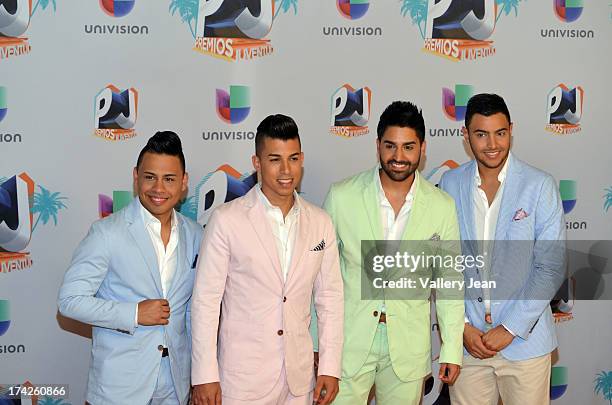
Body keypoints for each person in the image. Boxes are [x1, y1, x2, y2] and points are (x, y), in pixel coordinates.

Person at [191, 114, 344, 405]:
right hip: (241, 379)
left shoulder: (321, 222)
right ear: (257, 163)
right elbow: (206, 302)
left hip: (299, 381)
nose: (286, 170)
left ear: (302, 160)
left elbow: (330, 299)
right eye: (275, 159)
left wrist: (329, 366)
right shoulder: (226, 220)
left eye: (293, 158)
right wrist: (204, 375)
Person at [322, 101, 464, 405]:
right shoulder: (342, 196)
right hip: (348, 343)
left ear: (422, 149)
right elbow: (319, 277)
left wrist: (451, 348)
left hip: (408, 347)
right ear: (377, 146)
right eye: (390, 146)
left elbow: (450, 281)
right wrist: (316, 343)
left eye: (408, 147)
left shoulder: (442, 206)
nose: (399, 157)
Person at [438, 93, 566, 405]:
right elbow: (442, 263)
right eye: (481, 134)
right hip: (469, 346)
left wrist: (508, 329)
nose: (492, 144)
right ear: (466, 135)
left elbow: (549, 268)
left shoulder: (540, 186)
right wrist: (463, 328)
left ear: (511, 130)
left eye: (500, 133)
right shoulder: (449, 183)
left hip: (525, 343)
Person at [58, 131, 203, 405]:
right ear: (136, 177)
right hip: (119, 388)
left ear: (183, 183)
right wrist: (134, 313)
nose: (158, 188)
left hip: (175, 385)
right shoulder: (106, 233)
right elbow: (69, 301)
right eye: (150, 177)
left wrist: (198, 377)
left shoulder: (196, 235)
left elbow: (192, 312)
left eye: (169, 179)